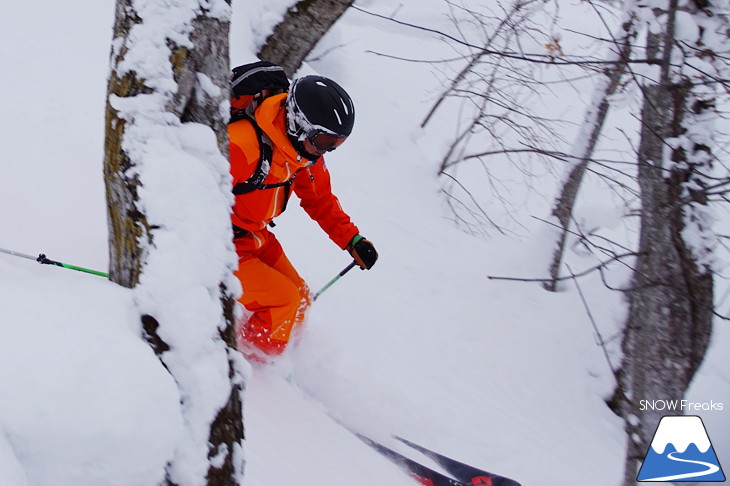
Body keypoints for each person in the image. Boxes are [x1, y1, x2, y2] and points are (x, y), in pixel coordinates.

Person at [229, 74, 378, 360]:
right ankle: (253, 371)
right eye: (323, 140)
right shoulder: (242, 146)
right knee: (282, 302)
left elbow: (319, 199)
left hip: (256, 237)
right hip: (221, 244)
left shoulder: (302, 154)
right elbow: (189, 192)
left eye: (336, 143)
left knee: (299, 300)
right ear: (298, 124)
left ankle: (259, 356)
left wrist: (352, 239)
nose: (327, 150)